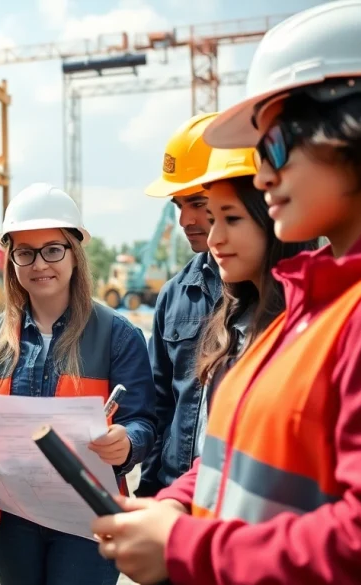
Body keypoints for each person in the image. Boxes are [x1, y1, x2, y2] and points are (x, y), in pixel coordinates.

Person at [92, 2, 361, 583]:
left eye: (273, 147)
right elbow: (240, 452)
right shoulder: (313, 303)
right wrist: (176, 503)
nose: (265, 176)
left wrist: (189, 546)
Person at [0, 183, 154, 585]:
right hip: (12, 518)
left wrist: (126, 441)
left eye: (53, 249)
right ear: (11, 260)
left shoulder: (118, 334)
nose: (40, 263)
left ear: (75, 253)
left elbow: (143, 421)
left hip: (87, 519)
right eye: (25, 252)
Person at [191, 160, 317, 454]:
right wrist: (174, 499)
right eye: (212, 219)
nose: (214, 238)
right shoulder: (232, 323)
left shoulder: (313, 327)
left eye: (231, 219)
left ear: (273, 219)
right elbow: (216, 460)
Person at [135, 113, 227, 497]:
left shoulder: (283, 291)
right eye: (179, 205)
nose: (185, 219)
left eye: (198, 203)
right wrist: (151, 490)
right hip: (176, 492)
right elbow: (160, 407)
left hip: (238, 497)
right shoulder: (175, 294)